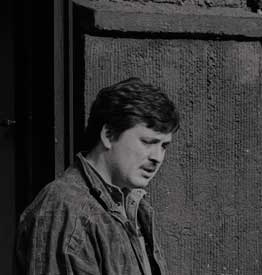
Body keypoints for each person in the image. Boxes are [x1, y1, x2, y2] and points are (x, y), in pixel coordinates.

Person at [17, 77, 180, 275]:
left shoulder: (135, 207)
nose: (157, 157)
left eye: (163, 146)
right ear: (108, 135)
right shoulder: (66, 209)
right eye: (147, 142)